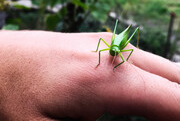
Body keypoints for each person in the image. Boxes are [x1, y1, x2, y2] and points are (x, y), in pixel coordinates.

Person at [0, 30, 180, 121]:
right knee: (109, 37)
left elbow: (120, 52)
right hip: (114, 41)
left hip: (122, 41)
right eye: (111, 51)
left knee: (132, 33)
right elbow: (106, 46)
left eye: (114, 53)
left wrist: (120, 63)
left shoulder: (119, 50)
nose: (112, 53)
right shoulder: (107, 47)